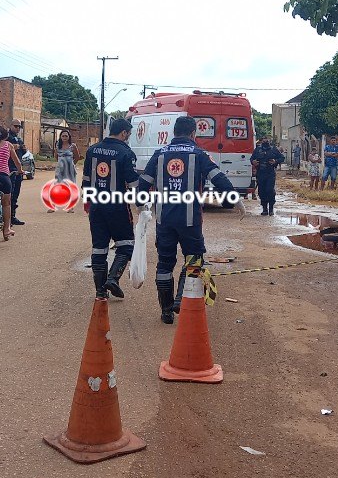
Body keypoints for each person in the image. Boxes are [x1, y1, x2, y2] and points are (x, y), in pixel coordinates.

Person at [139, 116, 243, 324]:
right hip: (190, 221)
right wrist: (234, 199)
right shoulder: (199, 154)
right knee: (194, 260)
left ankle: (166, 310)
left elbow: (143, 184)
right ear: (193, 133)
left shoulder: (159, 155)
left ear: (174, 133)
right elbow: (219, 179)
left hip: (165, 220)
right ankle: (180, 299)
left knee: (165, 263)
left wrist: (141, 205)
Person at [83, 119, 140, 298]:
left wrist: (88, 202)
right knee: (126, 245)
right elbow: (133, 182)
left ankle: (100, 292)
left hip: (97, 205)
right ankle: (113, 278)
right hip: (117, 206)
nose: (128, 138)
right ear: (123, 133)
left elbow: (86, 180)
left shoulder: (92, 150)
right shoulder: (125, 152)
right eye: (128, 135)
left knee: (99, 248)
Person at [250, 136, 284, 216]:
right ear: (262, 141)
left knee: (269, 190)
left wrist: (275, 161)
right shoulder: (257, 150)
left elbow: (282, 158)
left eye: (267, 141)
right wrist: (253, 162)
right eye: (264, 140)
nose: (265, 142)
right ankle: (264, 209)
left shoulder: (274, 149)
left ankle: (271, 209)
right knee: (261, 191)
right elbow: (252, 159)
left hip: (270, 173)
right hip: (260, 173)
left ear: (269, 142)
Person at [49, 130, 79, 213]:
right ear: (60, 137)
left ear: (69, 137)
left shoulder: (73, 146)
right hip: (60, 170)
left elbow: (77, 157)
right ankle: (53, 206)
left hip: (70, 169)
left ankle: (71, 206)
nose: (64, 137)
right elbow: (56, 157)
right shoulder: (58, 146)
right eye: (63, 136)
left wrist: (71, 164)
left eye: (66, 136)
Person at [6, 120, 28, 226]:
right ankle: (5, 218)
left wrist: (23, 148)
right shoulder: (6, 137)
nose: (18, 128)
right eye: (16, 126)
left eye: (19, 126)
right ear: (11, 126)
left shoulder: (19, 139)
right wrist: (15, 146)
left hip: (18, 170)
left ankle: (12, 216)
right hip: (8, 169)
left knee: (15, 195)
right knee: (8, 195)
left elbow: (22, 152)